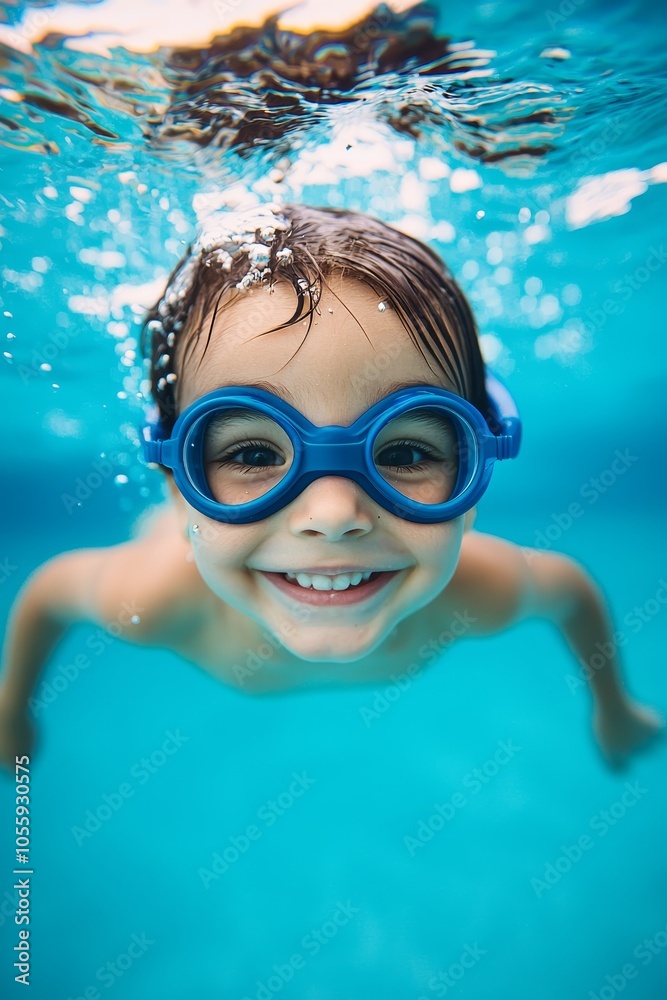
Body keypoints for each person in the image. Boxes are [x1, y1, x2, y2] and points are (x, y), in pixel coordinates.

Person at [0, 202, 662, 770]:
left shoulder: (476, 592)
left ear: (476, 465)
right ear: (176, 480)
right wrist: (11, 709)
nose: (334, 512)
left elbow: (571, 594)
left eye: (402, 451)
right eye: (254, 451)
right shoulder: (152, 595)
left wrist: (613, 708)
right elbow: (49, 595)